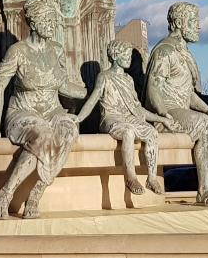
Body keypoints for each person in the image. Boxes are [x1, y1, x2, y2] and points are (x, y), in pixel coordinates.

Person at [0, 0, 85, 218]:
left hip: (53, 110)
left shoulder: (56, 50)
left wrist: (89, 91)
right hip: (23, 112)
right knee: (43, 134)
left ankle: (36, 194)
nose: (52, 25)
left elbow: (63, 85)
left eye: (53, 21)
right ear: (34, 23)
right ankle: (6, 194)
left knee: (69, 130)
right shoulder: (18, 51)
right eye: (48, 20)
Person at [144, 2, 208, 207]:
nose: (198, 27)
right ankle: (206, 189)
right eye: (194, 21)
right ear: (180, 23)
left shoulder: (184, 53)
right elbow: (153, 88)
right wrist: (164, 115)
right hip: (167, 115)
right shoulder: (165, 51)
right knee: (207, 125)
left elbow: (188, 93)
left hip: (181, 111)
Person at [76, 39, 177, 194]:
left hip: (128, 117)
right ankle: (130, 176)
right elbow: (92, 100)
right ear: (115, 56)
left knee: (151, 133)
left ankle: (151, 178)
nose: (129, 58)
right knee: (128, 132)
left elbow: (138, 110)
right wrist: (79, 118)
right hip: (111, 118)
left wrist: (162, 119)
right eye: (126, 54)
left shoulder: (128, 80)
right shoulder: (104, 77)